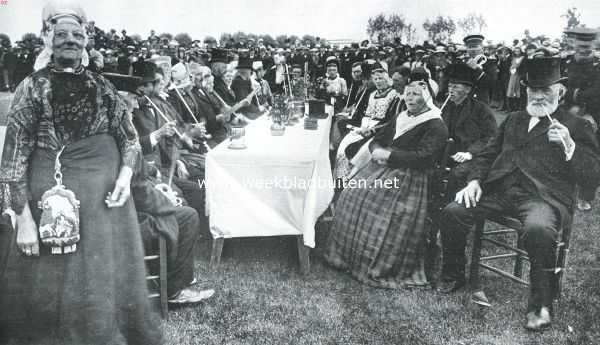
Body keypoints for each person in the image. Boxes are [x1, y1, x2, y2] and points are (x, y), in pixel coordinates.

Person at [0, 2, 163, 343]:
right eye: (61, 34)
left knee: (99, 278)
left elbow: (131, 141)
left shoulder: (103, 88)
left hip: (103, 204)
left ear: (86, 40)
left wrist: (124, 178)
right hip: (50, 204)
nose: (69, 41)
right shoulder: (30, 89)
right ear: (47, 39)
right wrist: (25, 220)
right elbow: (12, 161)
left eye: (77, 34)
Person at [439, 54, 600, 331]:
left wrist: (569, 147)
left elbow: (591, 175)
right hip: (501, 191)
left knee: (539, 230)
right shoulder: (514, 119)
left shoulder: (576, 126)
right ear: (525, 91)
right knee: (454, 211)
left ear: (559, 93)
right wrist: (475, 180)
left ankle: (540, 305)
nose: (538, 97)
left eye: (545, 91)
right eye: (533, 90)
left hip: (542, 198)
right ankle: (453, 274)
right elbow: (487, 153)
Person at [324, 81, 448, 288]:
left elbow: (424, 157)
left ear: (427, 98)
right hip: (383, 165)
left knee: (375, 200)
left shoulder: (435, 124)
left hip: (411, 176)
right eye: (407, 94)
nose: (409, 98)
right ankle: (348, 258)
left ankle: (371, 263)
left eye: (416, 94)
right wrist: (375, 150)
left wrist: (390, 155)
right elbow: (378, 138)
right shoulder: (402, 116)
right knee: (350, 193)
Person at [333, 63, 399, 182]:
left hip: (377, 129)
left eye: (381, 78)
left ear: (387, 79)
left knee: (358, 151)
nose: (378, 81)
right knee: (343, 147)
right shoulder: (371, 94)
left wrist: (373, 129)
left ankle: (350, 179)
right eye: (376, 79)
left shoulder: (393, 95)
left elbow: (389, 119)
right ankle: (340, 179)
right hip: (363, 126)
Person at [441, 63, 497, 197]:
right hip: (445, 154)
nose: (451, 90)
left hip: (471, 156)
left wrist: (470, 153)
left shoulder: (481, 110)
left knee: (457, 174)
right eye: (449, 86)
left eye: (455, 87)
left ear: (467, 89)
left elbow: (491, 137)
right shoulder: (444, 108)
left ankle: (448, 208)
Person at [189, 63, 230, 147]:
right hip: (211, 135)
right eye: (198, 75)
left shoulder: (203, 90)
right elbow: (200, 119)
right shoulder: (192, 95)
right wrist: (216, 118)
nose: (201, 78)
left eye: (201, 75)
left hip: (220, 129)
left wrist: (223, 111)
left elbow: (215, 107)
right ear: (191, 77)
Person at [462, 34, 496, 104]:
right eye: (470, 47)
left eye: (476, 47)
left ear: (482, 49)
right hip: (465, 100)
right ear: (467, 49)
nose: (473, 50)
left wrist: (477, 69)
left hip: (481, 100)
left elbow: (492, 83)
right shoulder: (462, 63)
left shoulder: (489, 63)